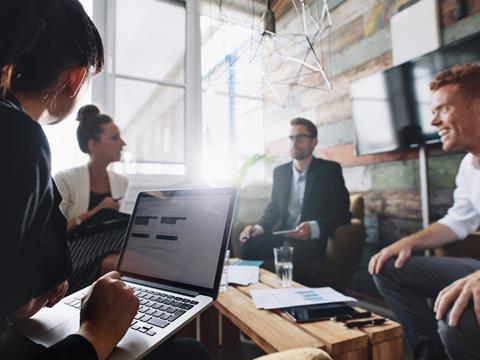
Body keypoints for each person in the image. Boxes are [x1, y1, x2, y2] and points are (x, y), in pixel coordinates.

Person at [0, 1, 210, 359]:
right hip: (60, 304)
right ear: (76, 78)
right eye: (115, 137)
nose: (123, 143)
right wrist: (94, 335)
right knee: (190, 353)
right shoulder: (22, 139)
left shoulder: (22, 136)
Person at [369, 64, 480, 360]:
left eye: (442, 109)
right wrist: (409, 242)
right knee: (387, 266)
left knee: (455, 322)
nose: (433, 121)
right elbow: (458, 222)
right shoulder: (468, 167)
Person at [239, 118, 351, 284]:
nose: (294, 142)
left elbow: (343, 214)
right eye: (291, 138)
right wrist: (258, 228)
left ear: (314, 142)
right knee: (249, 243)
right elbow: (274, 209)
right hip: (283, 235)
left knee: (294, 251)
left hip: (310, 241)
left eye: (301, 137)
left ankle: (294, 304)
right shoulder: (280, 172)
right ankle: (251, 293)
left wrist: (313, 228)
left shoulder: (329, 171)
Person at [55, 104, 128, 233]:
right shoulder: (65, 180)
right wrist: (96, 211)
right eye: (115, 137)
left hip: (111, 244)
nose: (123, 143)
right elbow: (54, 232)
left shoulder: (122, 182)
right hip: (76, 248)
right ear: (93, 144)